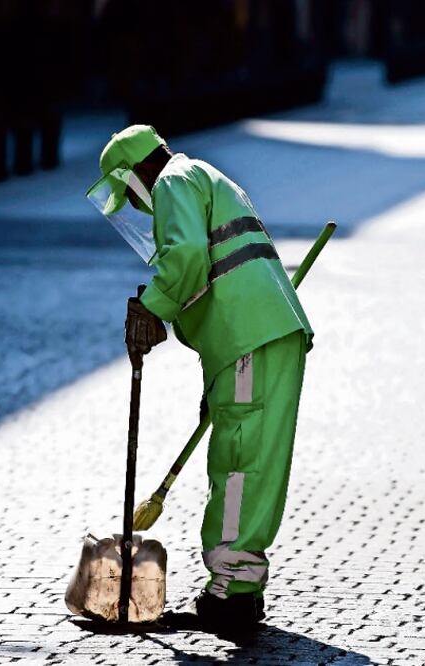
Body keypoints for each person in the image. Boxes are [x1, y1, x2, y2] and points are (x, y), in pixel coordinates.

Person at [86, 125, 312, 631]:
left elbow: (186, 256)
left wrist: (151, 307)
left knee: (240, 464)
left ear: (135, 173)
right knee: (251, 458)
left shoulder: (171, 180)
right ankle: (240, 588)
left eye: (129, 194)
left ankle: (231, 594)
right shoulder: (203, 175)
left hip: (249, 337)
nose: (137, 207)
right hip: (262, 335)